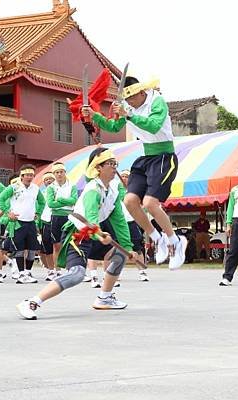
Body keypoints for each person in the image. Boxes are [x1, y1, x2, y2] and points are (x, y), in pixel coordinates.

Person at [16, 148, 138, 319]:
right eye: (110, 164)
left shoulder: (114, 190)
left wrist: (127, 246)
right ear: (98, 168)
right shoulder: (92, 189)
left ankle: (105, 298)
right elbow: (90, 218)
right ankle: (31, 302)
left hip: (94, 233)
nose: (114, 168)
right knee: (77, 274)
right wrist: (99, 234)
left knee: (121, 255)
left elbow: (119, 220)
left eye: (115, 164)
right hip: (78, 235)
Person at [82, 76, 187, 270]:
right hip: (146, 157)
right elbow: (113, 127)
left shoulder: (157, 101)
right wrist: (94, 115)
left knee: (149, 203)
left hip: (164, 156)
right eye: (127, 100)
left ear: (141, 93)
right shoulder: (128, 108)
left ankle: (175, 240)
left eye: (131, 99)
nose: (129, 103)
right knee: (130, 201)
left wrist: (128, 115)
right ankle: (157, 238)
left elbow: (154, 126)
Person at [0, 164, 45, 284]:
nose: (29, 177)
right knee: (19, 249)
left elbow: (42, 201)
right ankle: (21, 274)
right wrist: (8, 213)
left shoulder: (35, 188)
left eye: (31, 175)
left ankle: (28, 272)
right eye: (27, 175)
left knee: (32, 249)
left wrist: (38, 213)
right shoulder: (14, 187)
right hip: (17, 222)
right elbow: (0, 199)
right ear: (21, 176)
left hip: (31, 222)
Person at [46, 163, 77, 272]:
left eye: (61, 172)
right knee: (57, 245)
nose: (59, 174)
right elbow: (50, 203)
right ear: (54, 174)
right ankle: (57, 270)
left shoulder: (72, 185)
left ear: (65, 172)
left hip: (69, 216)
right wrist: (66, 202)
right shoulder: (51, 187)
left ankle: (70, 268)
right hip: (56, 216)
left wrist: (60, 200)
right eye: (57, 172)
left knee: (70, 244)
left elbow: (74, 200)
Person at [119, 169, 148, 282]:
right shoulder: (116, 189)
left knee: (137, 248)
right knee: (119, 249)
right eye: (123, 176)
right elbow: (123, 198)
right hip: (120, 223)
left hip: (131, 221)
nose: (124, 178)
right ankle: (117, 272)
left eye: (126, 176)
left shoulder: (135, 190)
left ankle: (142, 271)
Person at [38, 172, 57, 281]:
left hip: (58, 220)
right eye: (46, 180)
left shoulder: (61, 190)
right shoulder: (42, 193)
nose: (49, 181)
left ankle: (58, 269)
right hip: (45, 221)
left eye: (51, 179)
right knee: (47, 247)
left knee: (58, 246)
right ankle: (51, 270)